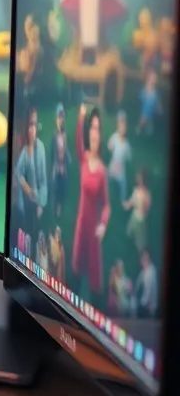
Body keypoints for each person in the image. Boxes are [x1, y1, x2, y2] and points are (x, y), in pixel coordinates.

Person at [72, 104, 110, 298]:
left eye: (98, 129)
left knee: (95, 283)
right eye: (92, 128)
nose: (94, 133)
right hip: (81, 226)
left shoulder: (102, 170)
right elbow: (78, 142)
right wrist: (81, 118)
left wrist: (103, 224)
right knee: (76, 276)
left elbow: (107, 205)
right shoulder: (84, 158)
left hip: (93, 230)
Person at [14, 107, 47, 243]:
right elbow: (18, 172)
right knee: (26, 233)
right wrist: (26, 187)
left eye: (33, 125)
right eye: (29, 126)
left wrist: (41, 203)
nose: (31, 130)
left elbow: (43, 180)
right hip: (26, 200)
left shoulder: (41, 148)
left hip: (37, 200)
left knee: (36, 233)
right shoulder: (25, 151)